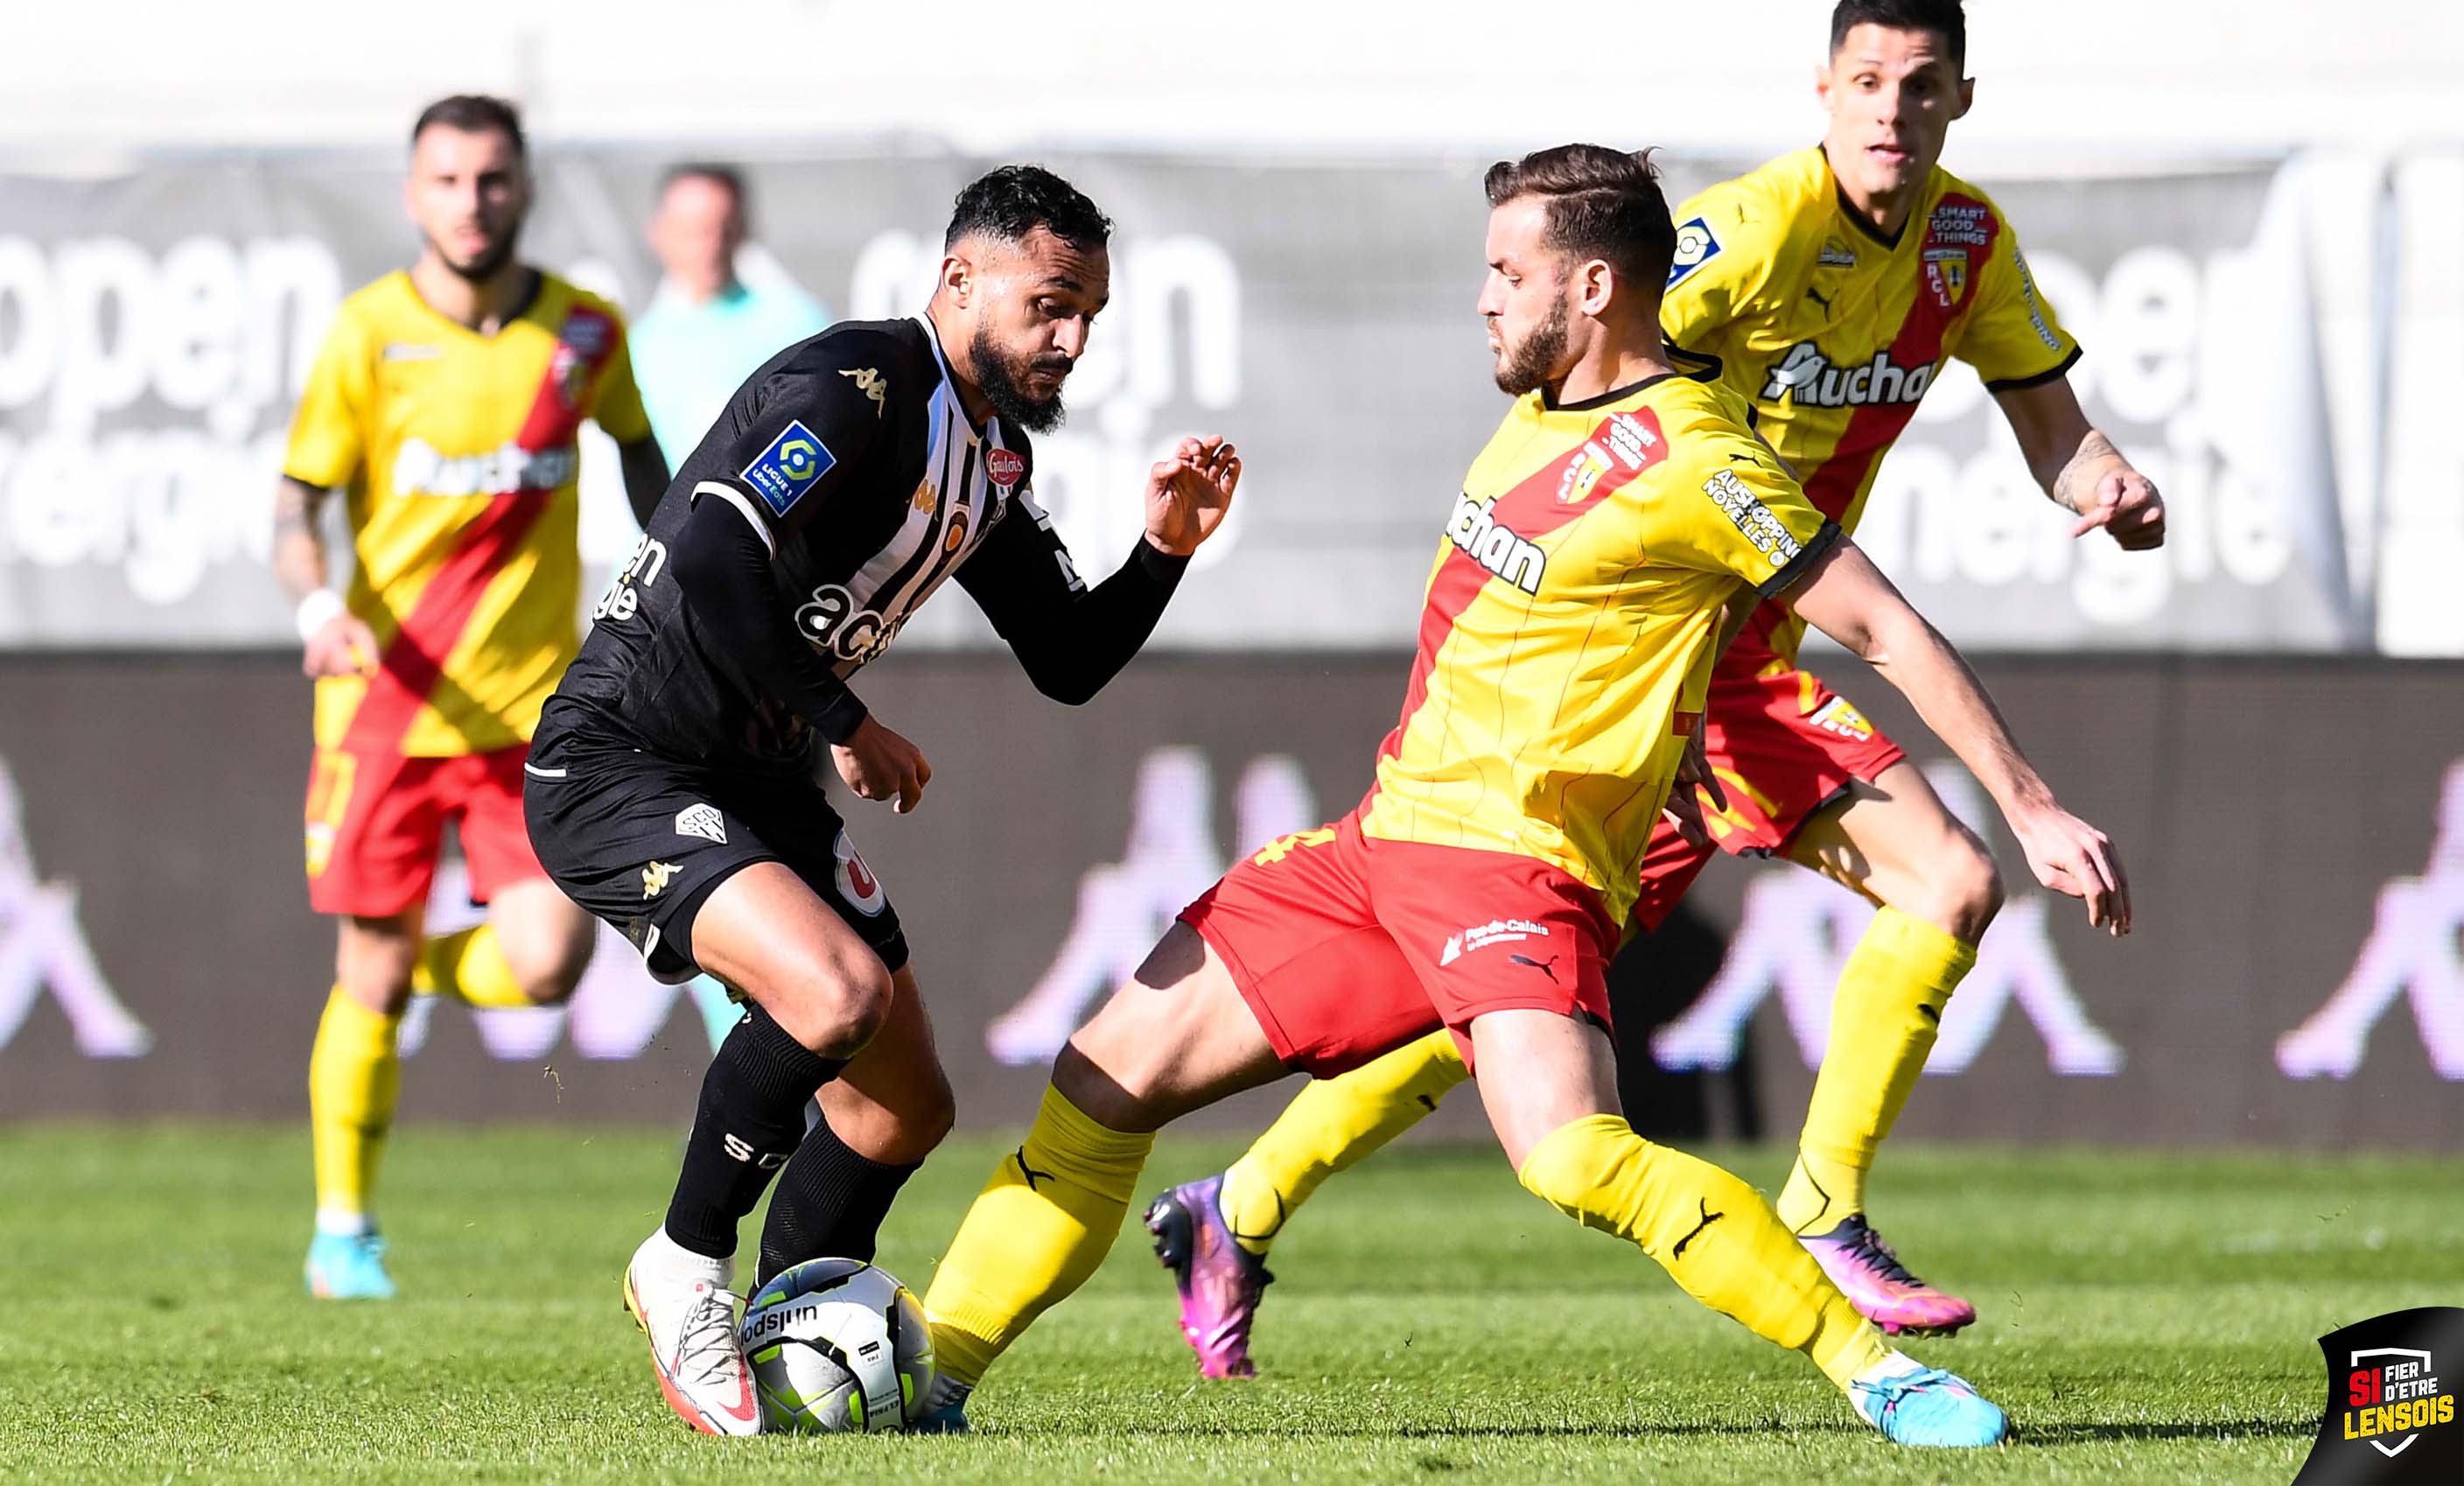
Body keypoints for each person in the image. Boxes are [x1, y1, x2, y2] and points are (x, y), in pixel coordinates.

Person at [919, 143, 2132, 1450]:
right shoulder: (1543, 400)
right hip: (1383, 846)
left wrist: (2027, 803)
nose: (1487, 298)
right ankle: (925, 1380)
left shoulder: (1699, 461)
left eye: (1510, 271)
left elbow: (1883, 626)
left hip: (1514, 868)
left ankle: (1872, 1367)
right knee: (1100, 1084)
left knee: (1572, 1159)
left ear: (1595, 286)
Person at [1144, 0, 2166, 1372]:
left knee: (1521, 1002)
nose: (1889, 110)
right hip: (1673, 659)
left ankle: (1240, 1204)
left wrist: (2098, 477)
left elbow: (2054, 429)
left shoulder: (1968, 246)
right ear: (1823, 89)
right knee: (1920, 886)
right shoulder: (1746, 237)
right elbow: (1577, 371)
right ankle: (1818, 1212)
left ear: (1960, 101)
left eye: (1920, 87)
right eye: (1866, 80)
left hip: (1734, 671)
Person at [522, 165, 1241, 1436]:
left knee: (904, 1103)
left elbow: (1067, 659)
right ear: (959, 279)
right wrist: (843, 718)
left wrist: (1166, 552)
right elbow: (707, 549)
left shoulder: (992, 453)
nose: (1071, 339)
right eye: (1051, 303)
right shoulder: (858, 388)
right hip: (623, 759)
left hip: (749, 779)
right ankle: (683, 1262)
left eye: (1090, 313)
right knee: (835, 995)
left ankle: (789, 1340)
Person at [274, 95, 668, 1301]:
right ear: (413, 194)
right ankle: (344, 1229)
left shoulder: (585, 332)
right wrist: (315, 608)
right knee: (374, 973)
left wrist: (685, 582)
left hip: (529, 719)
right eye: (446, 179)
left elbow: (643, 454)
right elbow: (298, 502)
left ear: (524, 187)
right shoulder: (367, 333)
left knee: (545, 968)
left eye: (492, 178)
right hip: (386, 707)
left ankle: (390, 976)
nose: (470, 200)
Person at [631, 163, 832, 461]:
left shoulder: (797, 323)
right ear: (659, 235)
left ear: (743, 229)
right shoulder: (640, 343)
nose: (709, 247)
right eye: (693, 232)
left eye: (722, 230)